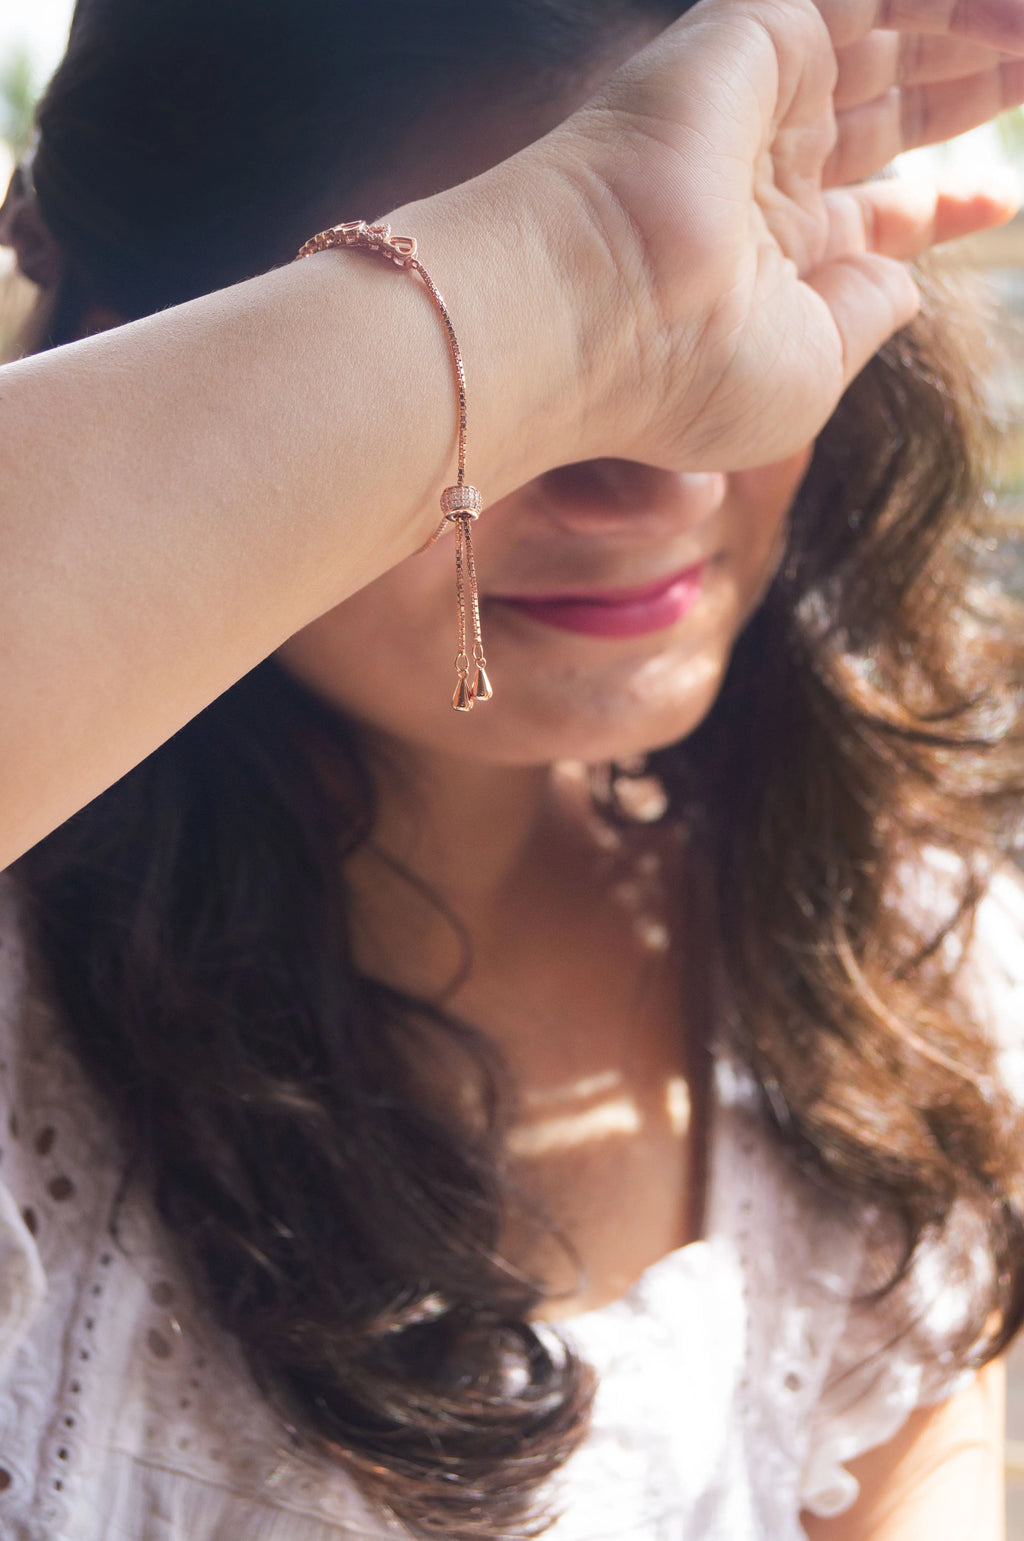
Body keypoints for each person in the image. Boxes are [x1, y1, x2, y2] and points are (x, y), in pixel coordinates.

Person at [0, 0, 1023, 1536]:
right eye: (525, 353)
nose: (654, 472)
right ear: (130, 336)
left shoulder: (903, 961)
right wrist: (568, 272)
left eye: (726, 293)